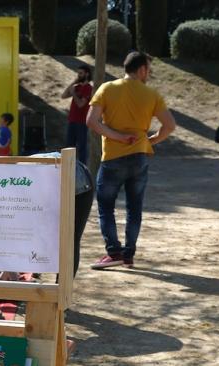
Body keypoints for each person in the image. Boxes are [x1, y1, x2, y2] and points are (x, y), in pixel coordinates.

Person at [86, 51, 176, 270]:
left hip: (113, 157)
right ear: (142, 69)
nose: (149, 74)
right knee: (134, 208)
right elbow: (170, 126)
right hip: (139, 157)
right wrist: (150, 140)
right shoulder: (152, 94)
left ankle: (113, 252)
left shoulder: (107, 89)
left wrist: (118, 137)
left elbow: (92, 121)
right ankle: (128, 255)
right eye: (149, 70)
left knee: (106, 207)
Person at [61, 64, 93, 165]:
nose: (78, 75)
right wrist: (74, 83)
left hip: (81, 122)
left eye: (81, 73)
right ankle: (68, 167)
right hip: (72, 120)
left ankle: (83, 168)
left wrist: (74, 93)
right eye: (78, 73)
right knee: (69, 147)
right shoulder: (77, 87)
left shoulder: (88, 88)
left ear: (87, 74)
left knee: (81, 148)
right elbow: (63, 95)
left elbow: (81, 104)